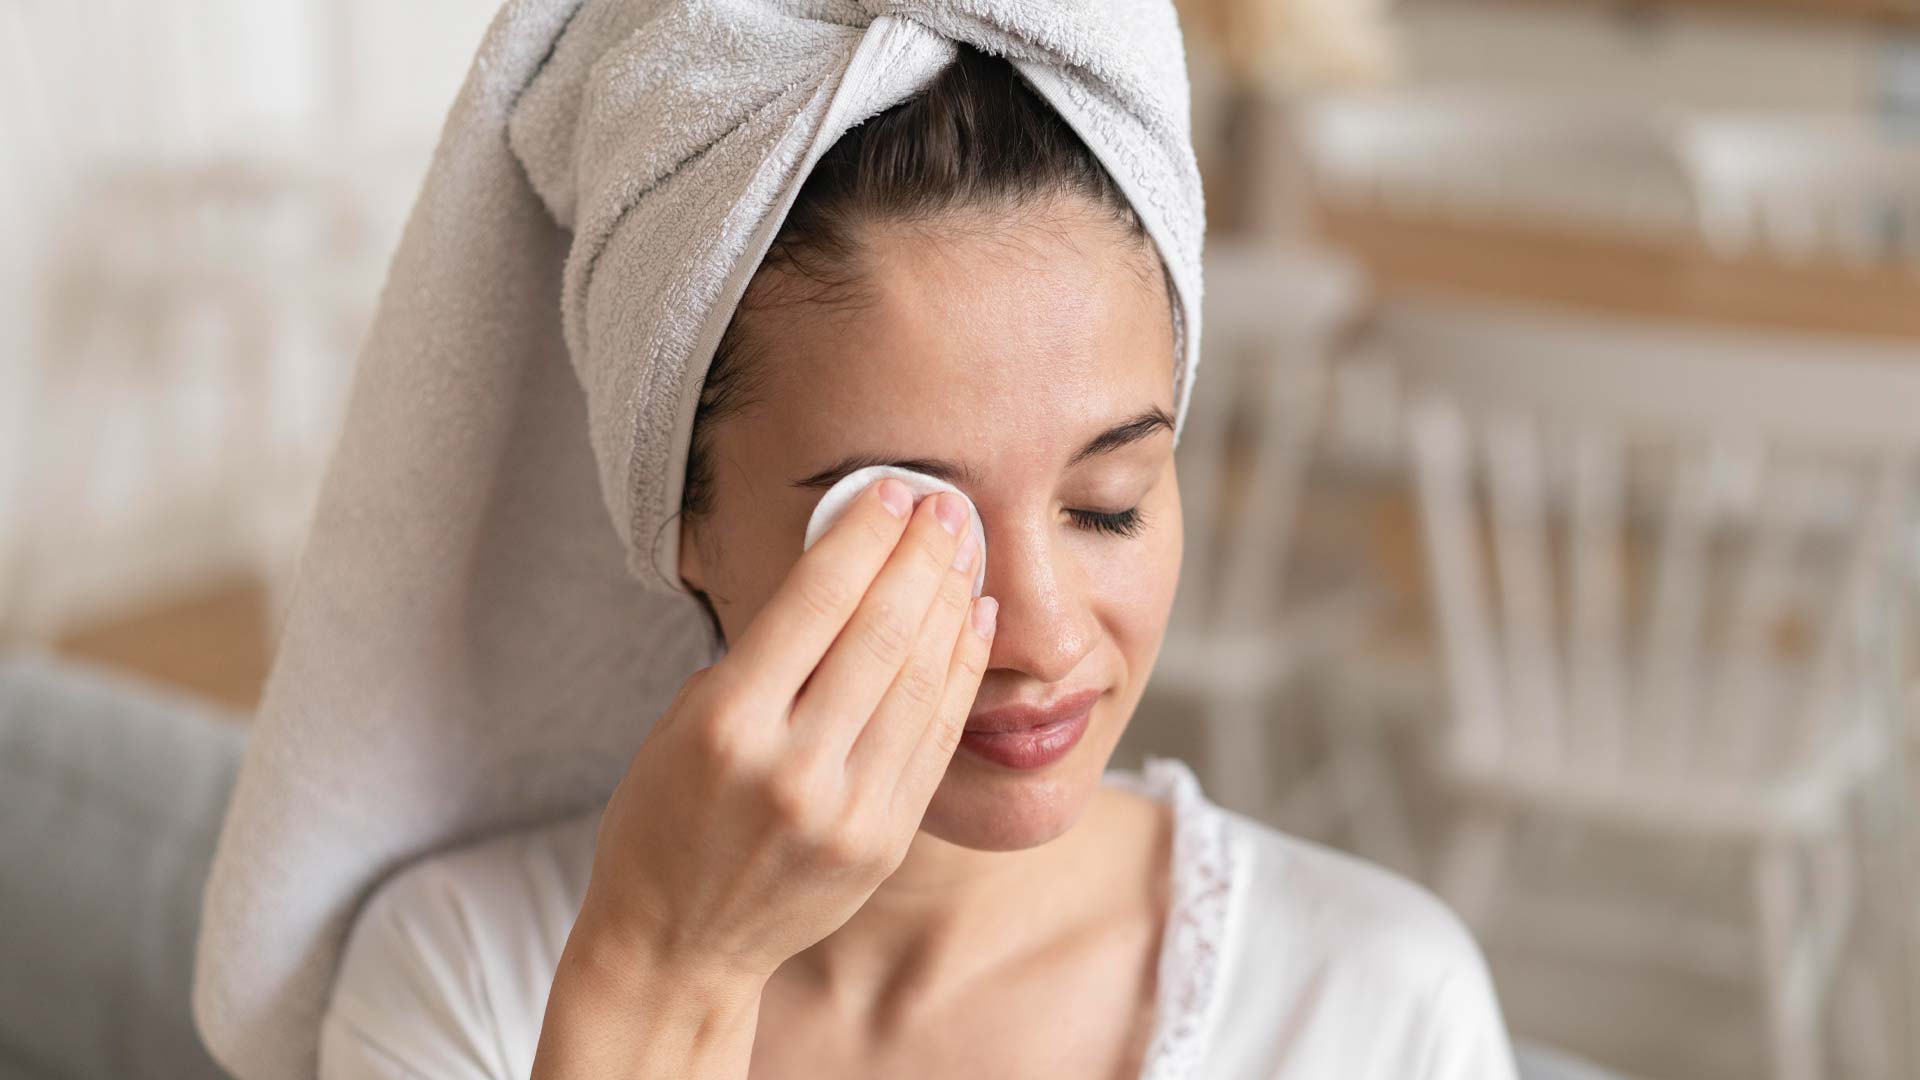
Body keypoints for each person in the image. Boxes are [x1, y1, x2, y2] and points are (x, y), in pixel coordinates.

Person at [310, 42, 1518, 1080]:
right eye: (907, 528)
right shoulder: (468, 977)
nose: (1045, 637)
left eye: (1108, 507)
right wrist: (667, 976)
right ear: (682, 523)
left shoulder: (1376, 1009)